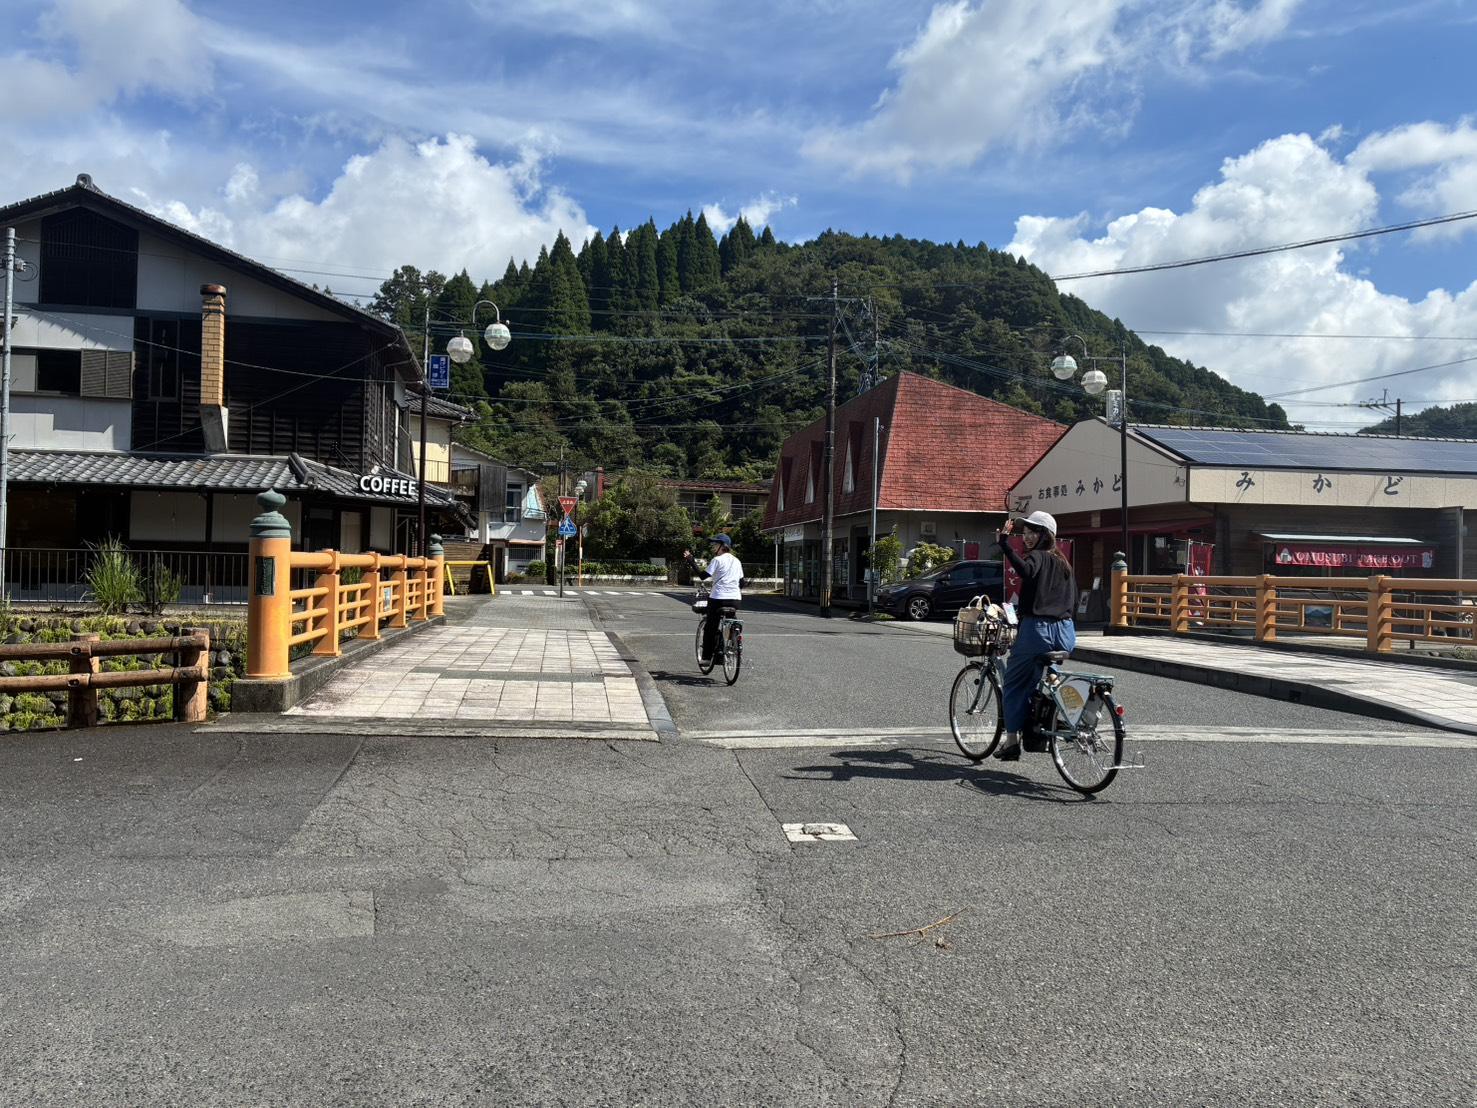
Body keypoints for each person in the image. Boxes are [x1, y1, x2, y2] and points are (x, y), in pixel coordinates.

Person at [994, 510, 1077, 761]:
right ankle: (1053, 713)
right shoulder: (1064, 562)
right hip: (1065, 631)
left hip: (1037, 631)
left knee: (1014, 684)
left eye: (1033, 532)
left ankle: (1010, 743)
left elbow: (1026, 571)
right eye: (1025, 532)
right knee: (1049, 676)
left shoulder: (1038, 557)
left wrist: (1004, 545)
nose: (1027, 537)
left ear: (1045, 535)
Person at [684, 534, 744, 665]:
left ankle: (706, 657)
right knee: (731, 619)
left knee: (710, 628)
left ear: (722, 546)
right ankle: (733, 639)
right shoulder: (737, 561)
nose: (713, 547)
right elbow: (742, 583)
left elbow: (703, 576)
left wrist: (690, 559)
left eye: (716, 544)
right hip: (735, 599)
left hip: (718, 599)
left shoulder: (717, 560)